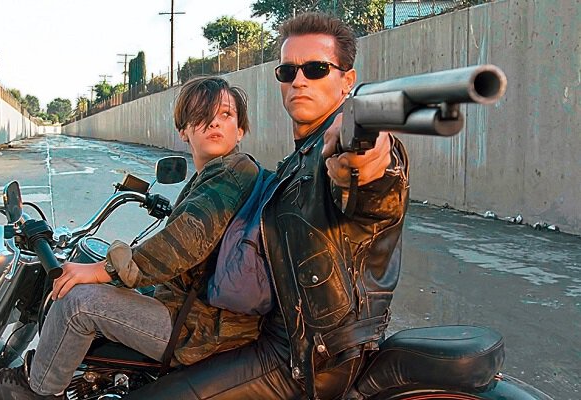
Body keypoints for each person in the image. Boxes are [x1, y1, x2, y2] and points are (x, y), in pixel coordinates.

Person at [126, 12, 409, 400]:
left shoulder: (337, 148)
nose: (299, 80)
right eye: (288, 71)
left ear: (347, 80)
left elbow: (373, 192)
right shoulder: (297, 162)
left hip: (310, 355)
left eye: (316, 69)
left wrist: (363, 162)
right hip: (280, 335)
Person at [0, 76, 263, 399]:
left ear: (240, 130)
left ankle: (36, 391)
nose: (214, 123)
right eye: (201, 116)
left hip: (202, 327)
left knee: (77, 302)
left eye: (225, 115)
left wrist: (102, 271)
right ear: (184, 131)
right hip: (196, 310)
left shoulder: (232, 172)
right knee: (102, 286)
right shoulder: (218, 173)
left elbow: (185, 241)